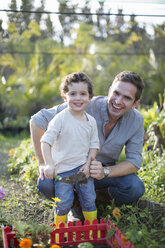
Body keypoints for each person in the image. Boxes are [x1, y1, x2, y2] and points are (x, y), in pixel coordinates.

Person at [30, 70, 145, 216]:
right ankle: (74, 205)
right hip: (71, 170)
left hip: (101, 174)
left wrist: (105, 172)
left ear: (135, 103)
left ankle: (94, 201)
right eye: (116, 93)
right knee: (45, 183)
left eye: (127, 98)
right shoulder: (85, 104)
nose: (118, 101)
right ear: (110, 91)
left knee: (135, 187)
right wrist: (43, 163)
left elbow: (134, 162)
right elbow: (37, 121)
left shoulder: (136, 121)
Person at [39, 72, 100, 226]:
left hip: (82, 169)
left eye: (83, 94)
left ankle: (91, 226)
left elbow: (94, 146)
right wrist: (49, 164)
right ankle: (59, 229)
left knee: (88, 197)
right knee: (64, 201)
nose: (78, 98)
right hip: (63, 171)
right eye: (73, 93)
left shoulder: (91, 121)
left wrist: (88, 164)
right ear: (64, 96)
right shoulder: (60, 119)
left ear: (89, 97)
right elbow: (45, 142)